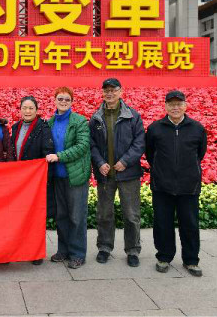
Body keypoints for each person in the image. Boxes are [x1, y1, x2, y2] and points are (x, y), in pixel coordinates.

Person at [146, 90, 207, 277]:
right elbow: (150, 154)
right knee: (162, 224)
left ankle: (191, 260)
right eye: (171, 104)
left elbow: (200, 153)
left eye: (179, 104)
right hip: (162, 186)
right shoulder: (155, 128)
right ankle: (164, 257)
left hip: (189, 186)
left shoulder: (197, 128)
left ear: (185, 106)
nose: (175, 107)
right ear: (165, 106)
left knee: (190, 224)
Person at [89, 78, 145, 267]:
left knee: (131, 215)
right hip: (105, 175)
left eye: (113, 90)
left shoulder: (132, 116)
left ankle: (133, 250)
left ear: (121, 92)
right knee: (104, 214)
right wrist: (99, 162)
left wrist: (125, 161)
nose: (110, 93)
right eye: (106, 90)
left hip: (128, 174)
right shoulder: (96, 117)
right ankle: (104, 247)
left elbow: (139, 143)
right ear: (102, 93)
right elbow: (92, 144)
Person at [46, 87, 91, 269]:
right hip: (57, 177)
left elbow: (82, 146)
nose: (63, 102)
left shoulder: (79, 121)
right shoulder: (50, 122)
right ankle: (63, 250)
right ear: (54, 100)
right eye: (60, 98)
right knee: (62, 216)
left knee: (76, 217)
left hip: (75, 177)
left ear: (71, 102)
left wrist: (59, 156)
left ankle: (78, 254)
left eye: (67, 99)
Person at [10, 95, 54, 266]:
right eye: (24, 108)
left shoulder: (43, 128)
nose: (27, 111)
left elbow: (47, 151)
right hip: (18, 181)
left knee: (35, 218)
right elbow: (12, 151)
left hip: (34, 181)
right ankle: (19, 249)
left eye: (31, 108)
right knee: (19, 216)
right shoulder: (16, 127)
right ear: (20, 110)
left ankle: (35, 253)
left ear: (36, 110)